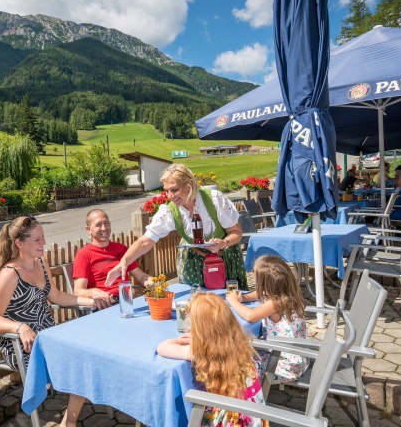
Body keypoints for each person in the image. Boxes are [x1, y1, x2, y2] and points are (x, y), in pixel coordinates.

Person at [0, 215, 103, 427]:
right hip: (21, 345)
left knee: (87, 354)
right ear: (19, 243)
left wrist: (91, 300)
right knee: (81, 361)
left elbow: (57, 297)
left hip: (48, 337)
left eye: (43, 237)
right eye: (37, 240)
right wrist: (19, 327)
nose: (43, 243)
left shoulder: (41, 264)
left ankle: (68, 423)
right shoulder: (9, 274)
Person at [105, 163, 246, 289]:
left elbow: (236, 231)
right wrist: (123, 262)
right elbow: (145, 241)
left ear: (189, 184)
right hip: (193, 263)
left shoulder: (214, 199)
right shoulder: (170, 211)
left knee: (229, 306)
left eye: (174, 190)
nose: (169, 196)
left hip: (225, 259)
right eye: (166, 190)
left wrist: (224, 242)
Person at [157, 293, 269, 427]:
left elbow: (162, 347)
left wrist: (181, 341)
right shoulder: (239, 343)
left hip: (230, 421)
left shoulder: (202, 352)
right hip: (254, 417)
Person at [226, 255, 309, 383]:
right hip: (296, 357)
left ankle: (247, 395)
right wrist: (245, 298)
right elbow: (260, 294)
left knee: (235, 361)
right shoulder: (286, 292)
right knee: (243, 351)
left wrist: (233, 301)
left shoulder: (276, 302)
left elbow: (251, 316)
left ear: (265, 285)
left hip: (284, 365)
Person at [72, 209, 151, 308]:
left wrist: (158, 284)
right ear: (88, 230)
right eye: (98, 225)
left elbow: (141, 277)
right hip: (105, 305)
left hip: (127, 302)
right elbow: (78, 291)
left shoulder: (121, 249)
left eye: (106, 223)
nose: (104, 228)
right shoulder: (84, 254)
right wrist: (93, 293)